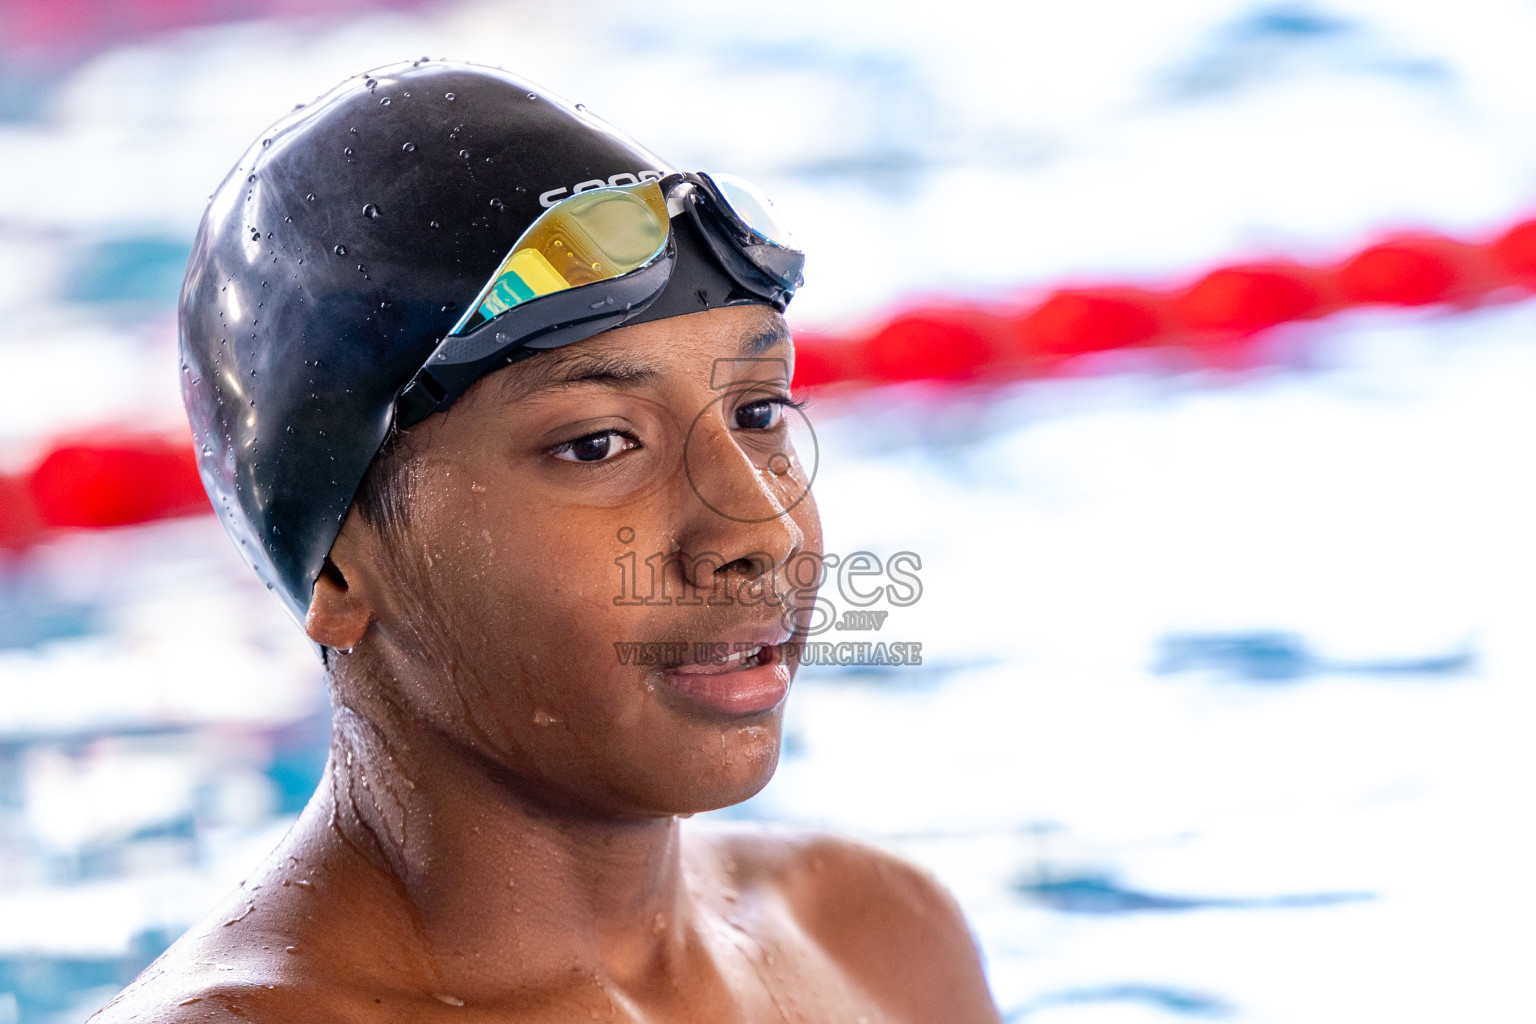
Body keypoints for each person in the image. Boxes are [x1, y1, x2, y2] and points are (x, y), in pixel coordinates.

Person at [93, 61, 1001, 1023]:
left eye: (760, 410)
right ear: (337, 563)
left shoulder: (879, 945)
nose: (761, 532)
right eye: (598, 443)